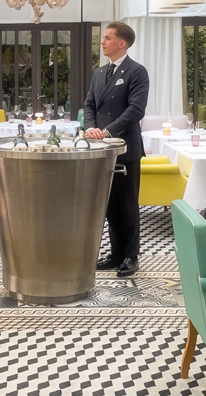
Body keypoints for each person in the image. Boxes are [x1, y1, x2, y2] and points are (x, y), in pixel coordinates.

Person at [84, 21, 149, 278]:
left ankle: (131, 256)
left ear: (121, 43)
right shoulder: (99, 73)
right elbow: (89, 105)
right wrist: (91, 129)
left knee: (128, 204)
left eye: (108, 38)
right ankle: (116, 253)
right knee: (109, 205)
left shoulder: (137, 72)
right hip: (101, 151)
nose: (103, 42)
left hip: (126, 149)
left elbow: (136, 110)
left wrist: (107, 131)